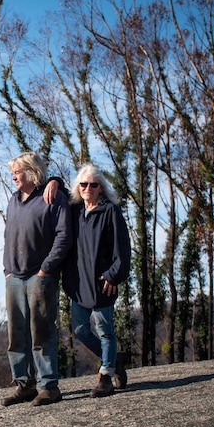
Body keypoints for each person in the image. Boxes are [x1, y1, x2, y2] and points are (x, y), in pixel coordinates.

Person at [1, 152, 71, 407]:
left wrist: (46, 269)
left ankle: (49, 387)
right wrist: (7, 270)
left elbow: (64, 236)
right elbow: (8, 234)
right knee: (16, 333)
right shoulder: (13, 200)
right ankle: (24, 384)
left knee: (41, 332)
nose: (13, 177)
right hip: (14, 277)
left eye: (17, 172)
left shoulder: (53, 197)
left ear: (31, 172)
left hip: (40, 277)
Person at [61, 163, 132, 397]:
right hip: (78, 284)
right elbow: (54, 189)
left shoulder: (110, 211)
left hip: (103, 283)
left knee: (105, 331)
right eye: (84, 184)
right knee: (80, 330)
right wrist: (52, 180)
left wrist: (114, 275)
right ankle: (113, 359)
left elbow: (122, 249)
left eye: (93, 184)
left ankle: (106, 377)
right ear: (78, 187)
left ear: (101, 188)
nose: (88, 188)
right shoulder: (73, 211)